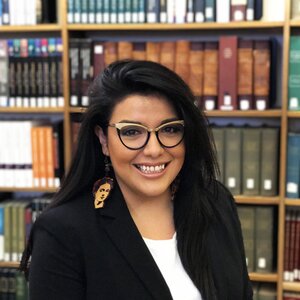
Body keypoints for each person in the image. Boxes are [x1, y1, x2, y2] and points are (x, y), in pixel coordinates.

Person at [20, 60, 252, 300]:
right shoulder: (62, 232)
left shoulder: (216, 201)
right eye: (131, 132)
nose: (153, 150)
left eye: (170, 129)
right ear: (103, 140)